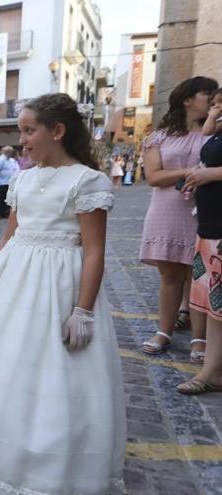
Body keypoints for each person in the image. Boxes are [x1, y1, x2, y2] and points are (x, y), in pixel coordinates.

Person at [0, 93, 125, 494]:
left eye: (29, 130)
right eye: (21, 131)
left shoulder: (87, 181)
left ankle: (44, 461)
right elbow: (8, 235)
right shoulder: (22, 179)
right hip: (14, 277)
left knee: (51, 372)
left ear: (58, 131)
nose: (23, 140)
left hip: (58, 282)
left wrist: (82, 310)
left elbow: (94, 252)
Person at [140, 76, 218, 359]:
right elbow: (154, 176)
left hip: (205, 210)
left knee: (200, 275)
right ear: (187, 99)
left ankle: (200, 339)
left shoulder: (214, 133)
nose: (211, 100)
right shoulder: (158, 137)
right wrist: (189, 173)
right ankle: (164, 330)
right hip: (166, 210)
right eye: (206, 94)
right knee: (170, 274)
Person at [177, 87, 222, 393]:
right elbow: (206, 138)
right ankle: (212, 371)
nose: (216, 108)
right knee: (215, 306)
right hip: (209, 227)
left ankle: (210, 372)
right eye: (216, 102)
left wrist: (211, 175)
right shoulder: (216, 132)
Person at [0, 146, 18, 219]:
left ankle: (4, 213)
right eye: (11, 152)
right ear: (7, 152)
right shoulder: (1, 160)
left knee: (7, 200)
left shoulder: (11, 160)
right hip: (1, 182)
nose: (12, 153)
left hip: (8, 182)